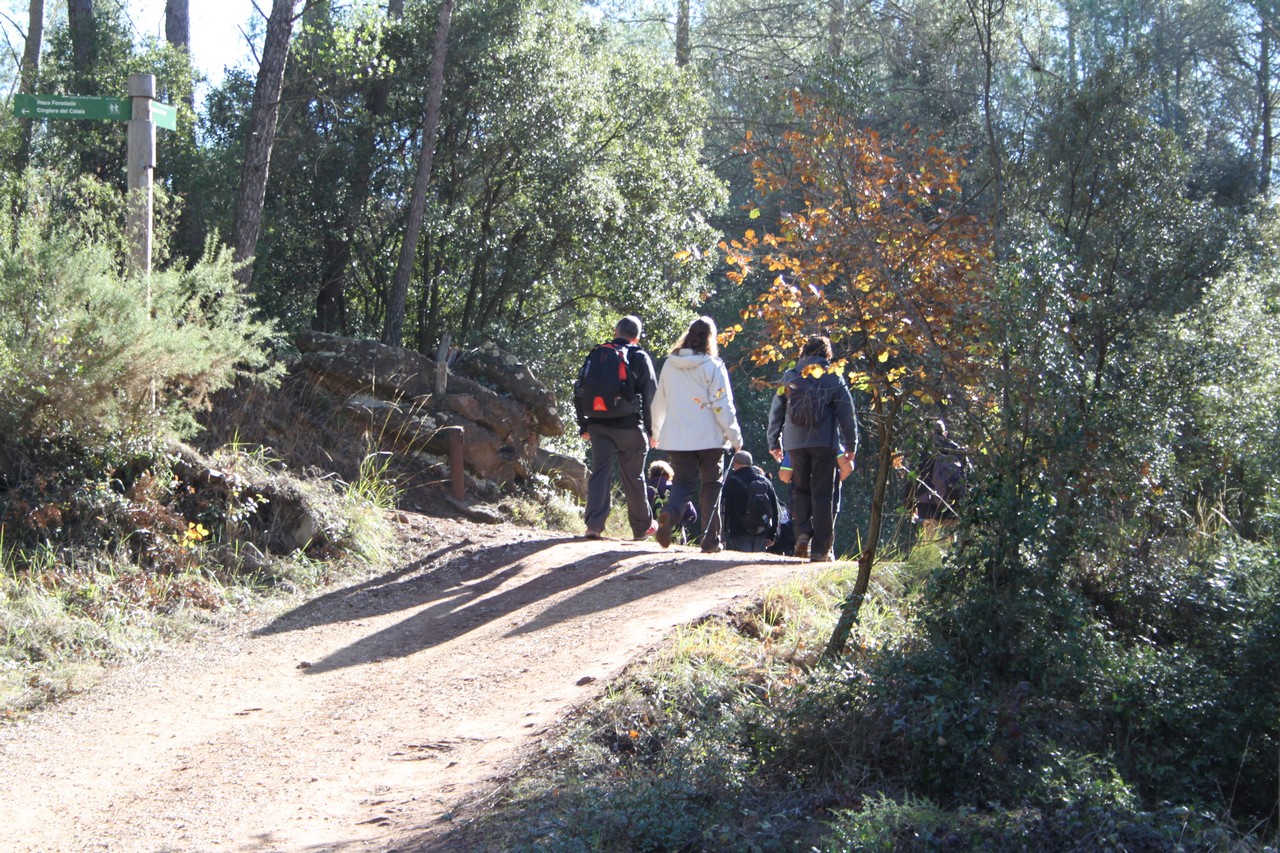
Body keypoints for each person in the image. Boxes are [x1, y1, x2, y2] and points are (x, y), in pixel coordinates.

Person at [650, 316, 744, 553]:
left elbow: (659, 401)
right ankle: (711, 540)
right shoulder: (714, 366)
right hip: (710, 438)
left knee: (683, 483)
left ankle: (670, 514)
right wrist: (735, 436)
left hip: (678, 438)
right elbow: (722, 404)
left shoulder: (670, 365)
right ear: (711, 339)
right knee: (711, 486)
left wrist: (655, 432)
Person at [766, 335, 859, 562]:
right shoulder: (833, 376)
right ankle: (820, 550)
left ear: (804, 352)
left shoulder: (790, 376)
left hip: (795, 444)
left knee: (800, 490)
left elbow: (776, 411)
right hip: (824, 442)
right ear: (827, 354)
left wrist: (773, 442)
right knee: (823, 494)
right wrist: (851, 443)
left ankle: (802, 535)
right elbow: (847, 412)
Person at [573, 315, 659, 540]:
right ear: (637, 337)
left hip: (598, 424)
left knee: (600, 473)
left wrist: (584, 425)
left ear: (615, 332)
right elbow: (651, 395)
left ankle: (593, 526)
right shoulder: (638, 355)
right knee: (633, 476)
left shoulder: (597, 354)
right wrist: (653, 430)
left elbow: (579, 389)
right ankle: (641, 528)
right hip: (629, 425)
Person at [904, 419, 968, 542]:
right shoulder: (957, 451)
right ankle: (952, 552)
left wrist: (908, 504)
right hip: (951, 499)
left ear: (929, 434)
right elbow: (965, 478)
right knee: (951, 536)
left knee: (929, 537)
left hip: (927, 502)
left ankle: (929, 553)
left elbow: (911, 478)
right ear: (945, 434)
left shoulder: (923, 452)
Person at [721, 451, 780, 552]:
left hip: (739, 531)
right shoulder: (765, 481)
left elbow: (725, 508)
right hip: (762, 531)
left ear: (735, 464)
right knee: (757, 560)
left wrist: (723, 531)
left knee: (742, 559)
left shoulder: (731, 482)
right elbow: (775, 509)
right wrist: (772, 533)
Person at [646, 460, 698, 544]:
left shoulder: (647, 491)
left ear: (651, 475)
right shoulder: (676, 490)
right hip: (676, 537)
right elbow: (692, 515)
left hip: (652, 536)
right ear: (669, 474)